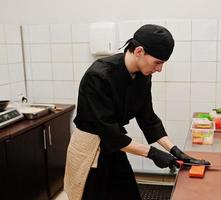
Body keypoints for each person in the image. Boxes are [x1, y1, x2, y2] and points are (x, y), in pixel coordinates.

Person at [68, 24, 209, 200]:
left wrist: (175, 151)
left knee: (129, 194)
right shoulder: (99, 75)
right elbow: (109, 132)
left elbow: (148, 118)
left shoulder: (143, 76)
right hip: (91, 148)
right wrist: (153, 153)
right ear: (139, 51)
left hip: (115, 144)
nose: (159, 69)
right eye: (158, 62)